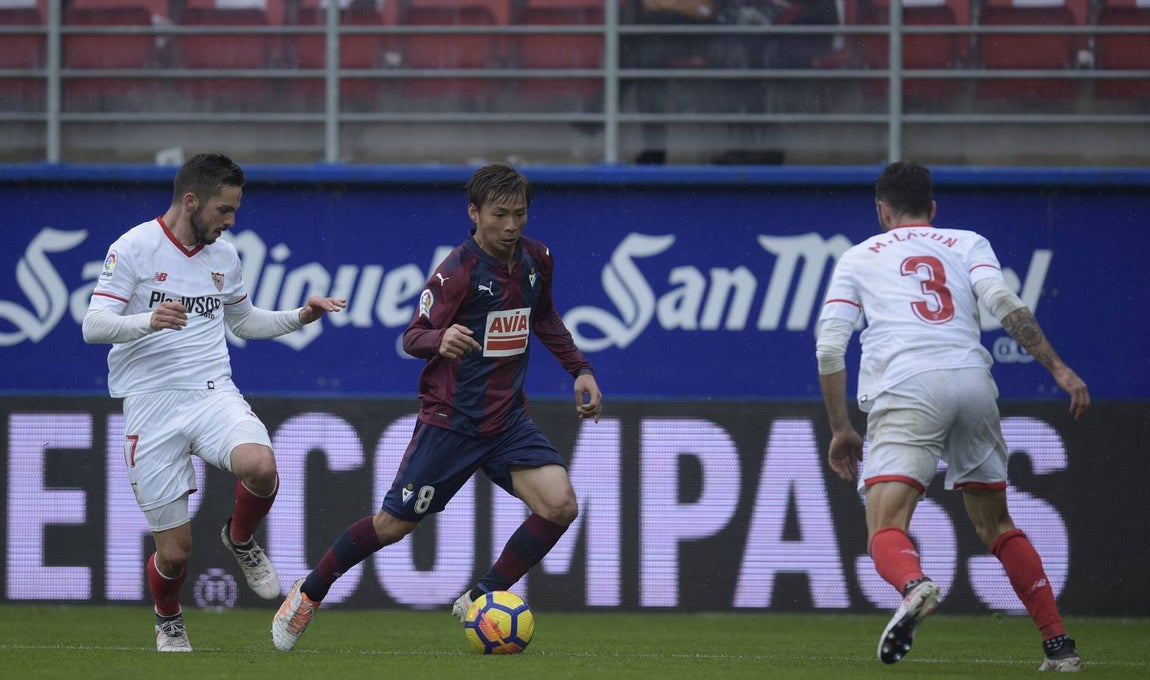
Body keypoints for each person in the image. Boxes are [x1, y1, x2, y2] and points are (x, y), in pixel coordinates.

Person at [271, 162, 603, 652]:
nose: (511, 226)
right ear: (475, 213)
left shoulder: (537, 259)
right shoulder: (456, 273)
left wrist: (580, 370)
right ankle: (309, 592)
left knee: (560, 505)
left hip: (507, 421)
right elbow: (411, 336)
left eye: (519, 214)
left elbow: (545, 315)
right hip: (451, 422)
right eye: (500, 215)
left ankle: (483, 595)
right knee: (392, 527)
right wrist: (440, 338)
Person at [814, 161, 1088, 671]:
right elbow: (1004, 303)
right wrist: (1059, 368)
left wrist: (841, 429)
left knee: (884, 527)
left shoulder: (857, 258)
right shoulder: (966, 242)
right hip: (972, 380)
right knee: (996, 523)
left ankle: (914, 587)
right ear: (933, 209)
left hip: (907, 385)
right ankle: (1059, 645)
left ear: (882, 211)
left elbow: (830, 349)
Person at [82, 152, 347, 653]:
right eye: (224, 211)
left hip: (211, 392)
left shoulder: (224, 257)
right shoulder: (134, 247)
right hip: (150, 403)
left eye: (234, 212)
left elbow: (243, 322)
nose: (230, 222)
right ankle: (168, 618)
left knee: (261, 466)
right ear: (191, 201)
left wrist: (300, 316)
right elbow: (93, 326)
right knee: (175, 554)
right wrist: (148, 320)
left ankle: (240, 538)